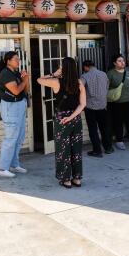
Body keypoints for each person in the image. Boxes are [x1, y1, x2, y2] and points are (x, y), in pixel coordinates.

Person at [38, 57, 86, 188]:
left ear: (63, 68)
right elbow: (83, 104)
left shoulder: (56, 82)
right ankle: (77, 178)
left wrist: (54, 73)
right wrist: (72, 117)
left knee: (63, 150)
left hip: (62, 119)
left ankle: (66, 179)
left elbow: (39, 80)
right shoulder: (79, 83)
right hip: (75, 119)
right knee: (76, 149)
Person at [0, 51, 29, 178]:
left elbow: (25, 90)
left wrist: (26, 79)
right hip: (10, 107)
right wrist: (25, 80)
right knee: (10, 138)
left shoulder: (15, 73)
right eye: (16, 59)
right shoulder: (5, 74)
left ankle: (14, 164)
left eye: (19, 59)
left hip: (20, 105)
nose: (18, 61)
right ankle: (3, 168)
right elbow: (16, 91)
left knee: (19, 137)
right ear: (8, 61)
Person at [81, 60, 113, 157]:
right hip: (102, 106)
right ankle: (108, 148)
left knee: (93, 129)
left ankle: (97, 151)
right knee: (104, 128)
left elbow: (80, 88)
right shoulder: (103, 74)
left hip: (90, 107)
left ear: (86, 67)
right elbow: (107, 87)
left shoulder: (84, 76)